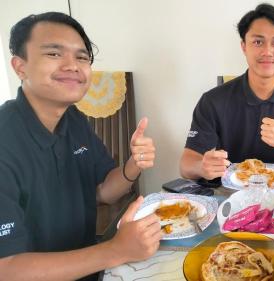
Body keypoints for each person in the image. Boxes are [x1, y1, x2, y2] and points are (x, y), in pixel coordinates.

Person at [0, 12, 161, 280]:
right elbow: (6, 268)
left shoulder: (73, 119)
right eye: (54, 54)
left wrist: (134, 164)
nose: (72, 65)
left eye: (82, 57)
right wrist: (115, 250)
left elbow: (103, 192)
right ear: (20, 66)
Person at [180, 4, 274, 181]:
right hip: (230, 196)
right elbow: (186, 164)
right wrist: (201, 167)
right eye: (258, 42)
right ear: (244, 46)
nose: (267, 51)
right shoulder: (213, 100)